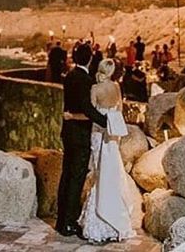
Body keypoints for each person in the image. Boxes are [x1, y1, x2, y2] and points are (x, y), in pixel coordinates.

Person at [78, 59, 135, 242]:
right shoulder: (116, 87)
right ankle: (114, 216)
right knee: (111, 170)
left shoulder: (96, 89)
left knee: (98, 172)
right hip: (113, 134)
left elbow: (92, 113)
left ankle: (98, 219)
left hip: (99, 131)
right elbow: (119, 108)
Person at [56, 43, 108, 238]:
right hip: (79, 135)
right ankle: (69, 223)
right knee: (76, 178)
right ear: (90, 59)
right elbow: (87, 110)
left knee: (66, 175)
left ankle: (61, 219)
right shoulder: (85, 80)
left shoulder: (69, 76)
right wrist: (106, 121)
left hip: (68, 132)